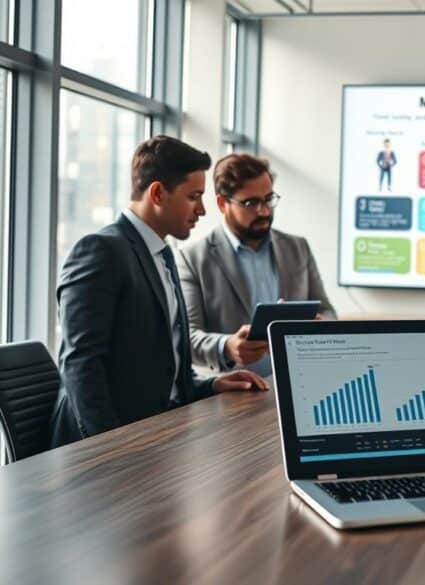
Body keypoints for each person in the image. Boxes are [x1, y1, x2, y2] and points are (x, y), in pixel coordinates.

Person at [50, 136, 268, 448]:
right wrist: (108, 449)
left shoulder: (162, 255)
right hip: (111, 449)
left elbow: (164, 371)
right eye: (194, 196)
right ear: (157, 193)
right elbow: (80, 364)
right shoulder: (101, 250)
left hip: (162, 434)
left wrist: (212, 385)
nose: (203, 210)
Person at [178, 153, 336, 378]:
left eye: (269, 199)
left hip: (295, 383)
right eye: (251, 203)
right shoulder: (192, 259)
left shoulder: (297, 248)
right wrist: (227, 347)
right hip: (231, 393)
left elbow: (327, 311)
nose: (264, 211)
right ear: (222, 204)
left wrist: (320, 326)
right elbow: (188, 337)